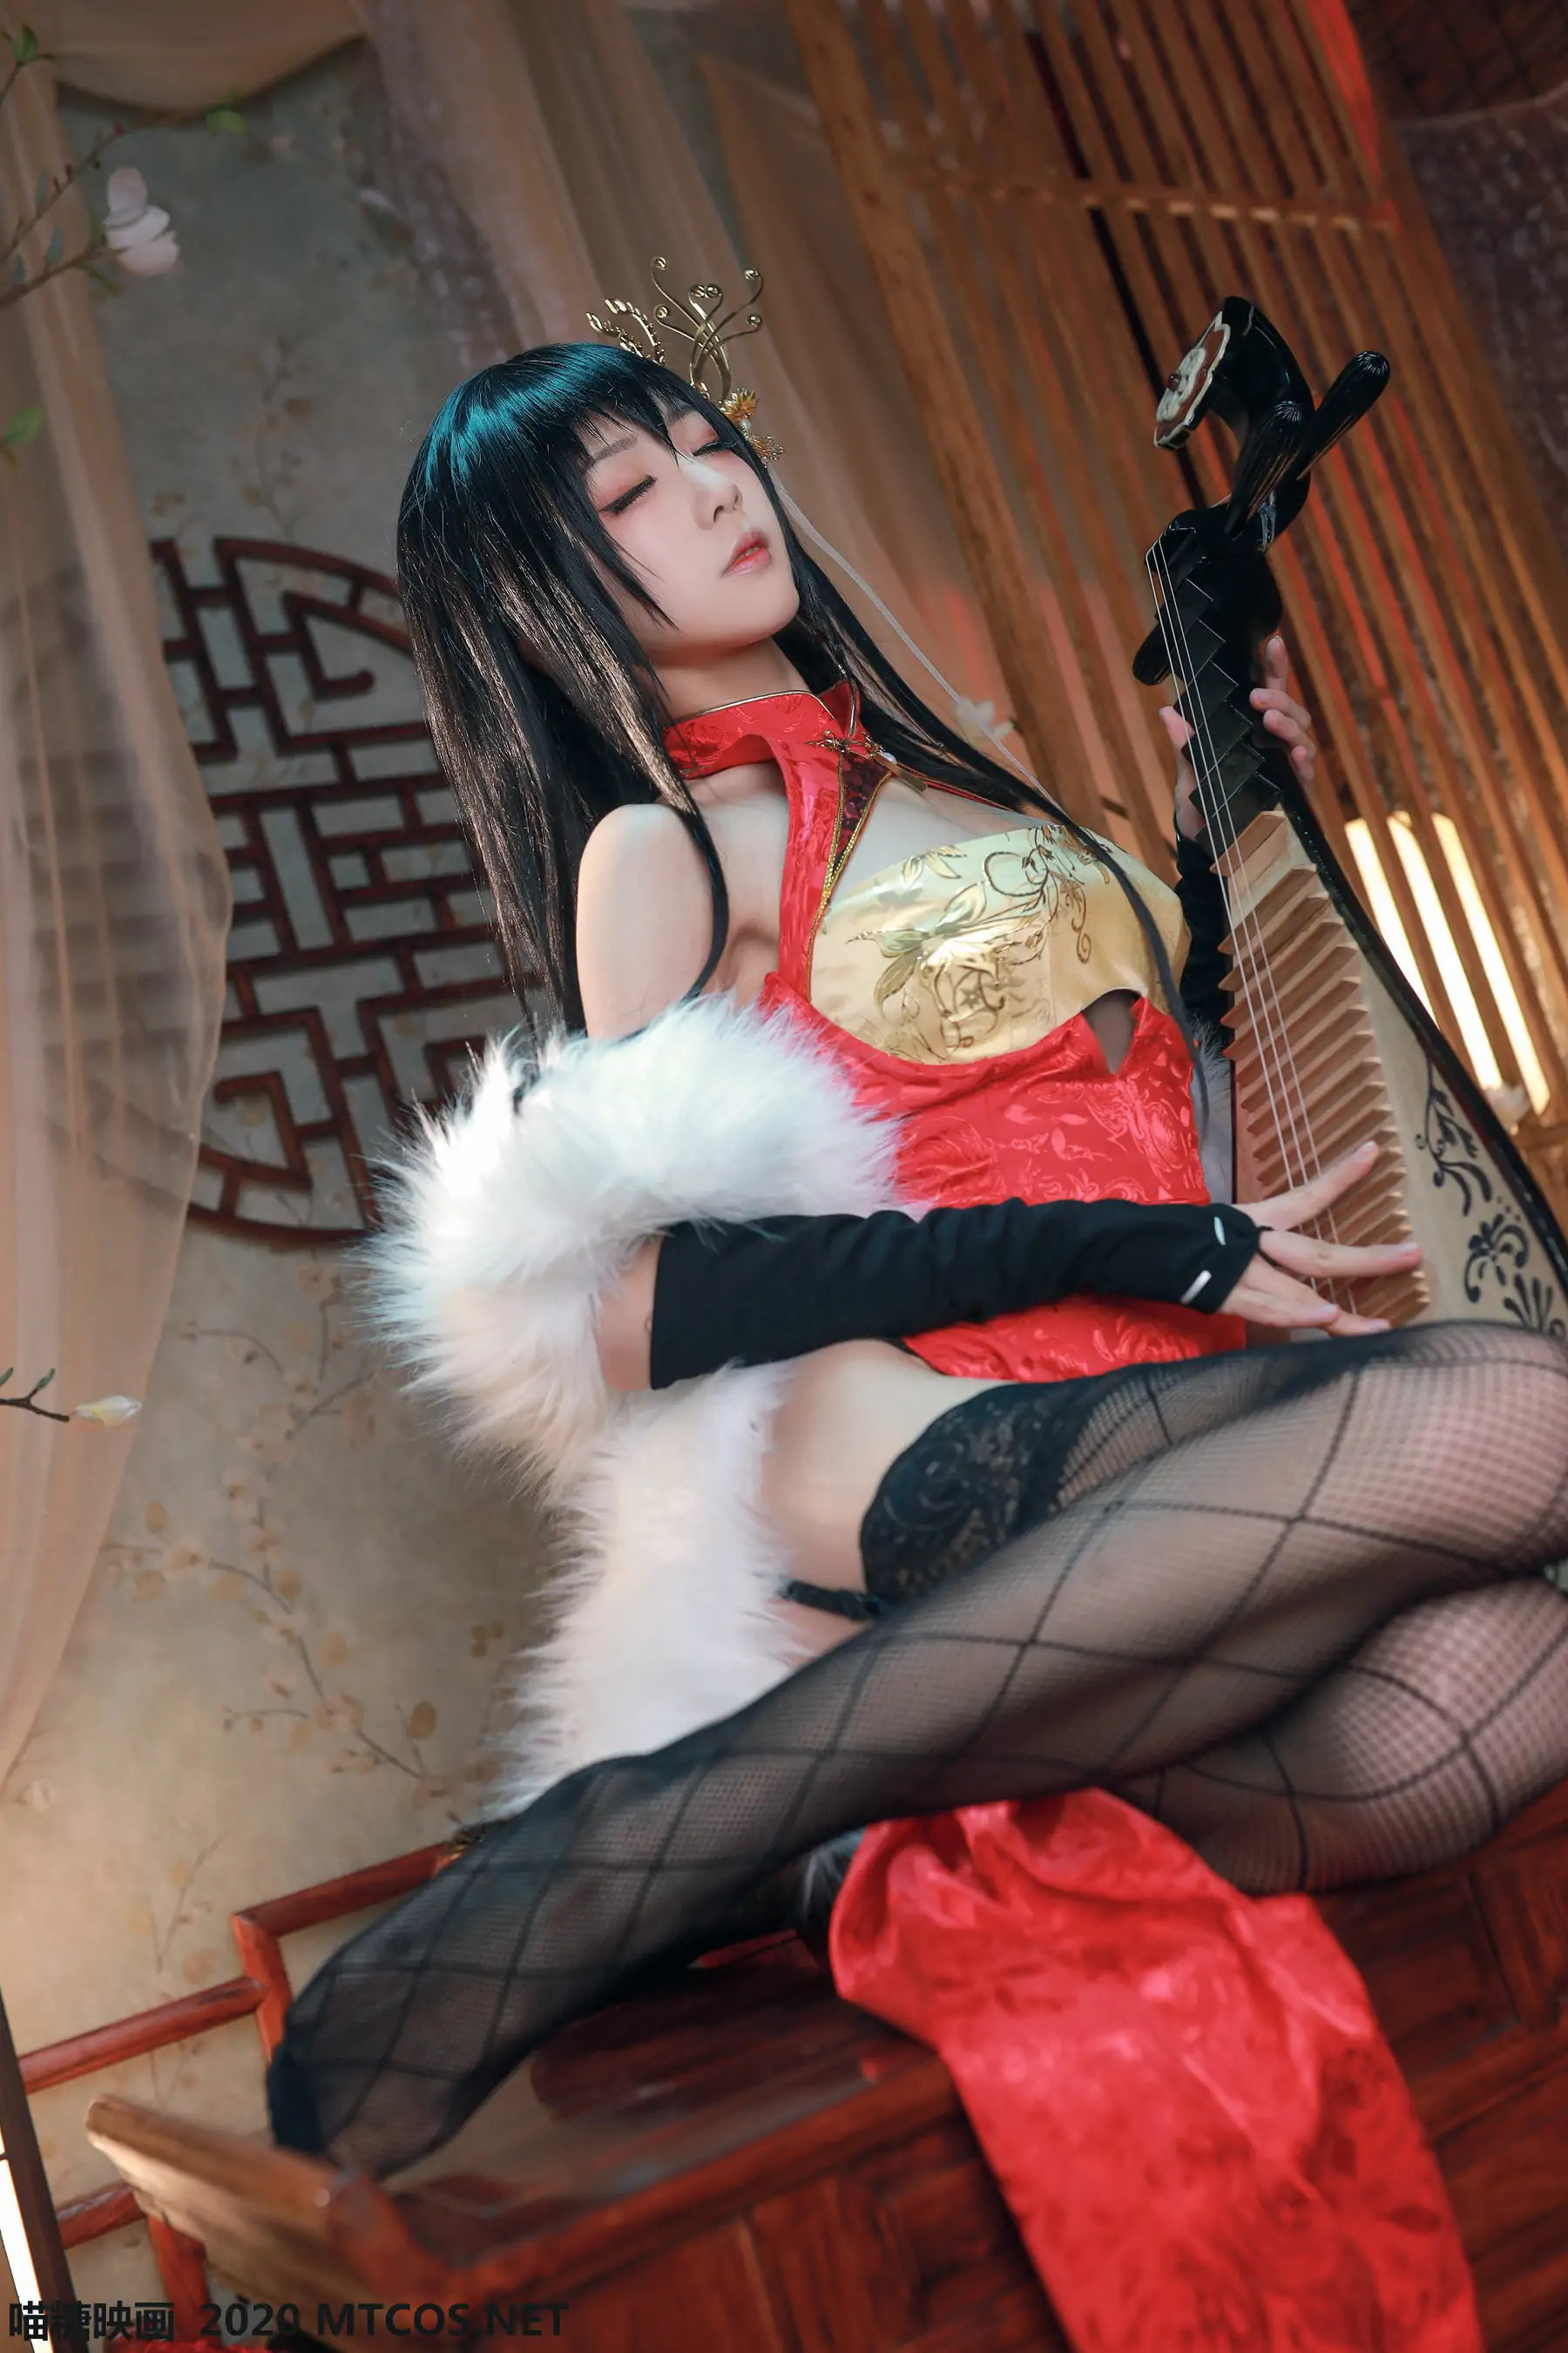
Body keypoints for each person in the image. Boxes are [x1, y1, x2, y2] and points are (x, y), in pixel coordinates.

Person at [268, 343, 1568, 2221]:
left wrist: (1224, 846)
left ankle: (854, 1814)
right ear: (546, 592)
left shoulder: (967, 784)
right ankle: (678, 1820)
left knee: (1508, 1676)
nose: (715, 491)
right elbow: (644, 1302)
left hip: (1163, 1395)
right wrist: (1115, 1246)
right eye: (633, 492)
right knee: (1527, 1406)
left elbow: (1133, 1080)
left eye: (711, 446)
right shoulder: (660, 846)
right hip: (921, 1410)